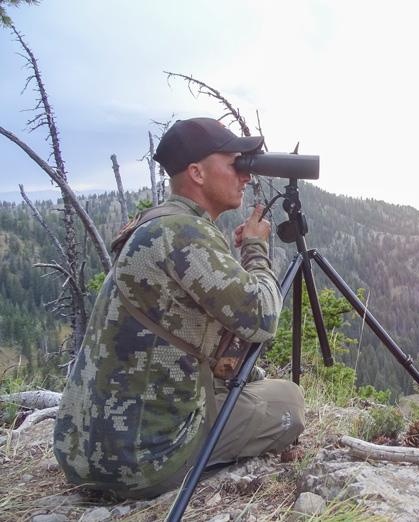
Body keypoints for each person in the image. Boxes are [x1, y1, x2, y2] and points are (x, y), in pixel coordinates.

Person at [53, 117, 305, 499]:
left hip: (80, 453)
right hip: (142, 464)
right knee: (290, 400)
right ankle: (190, 461)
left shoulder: (156, 224)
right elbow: (262, 318)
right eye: (235, 163)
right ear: (197, 173)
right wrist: (256, 249)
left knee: (252, 388)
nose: (246, 176)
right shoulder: (186, 234)